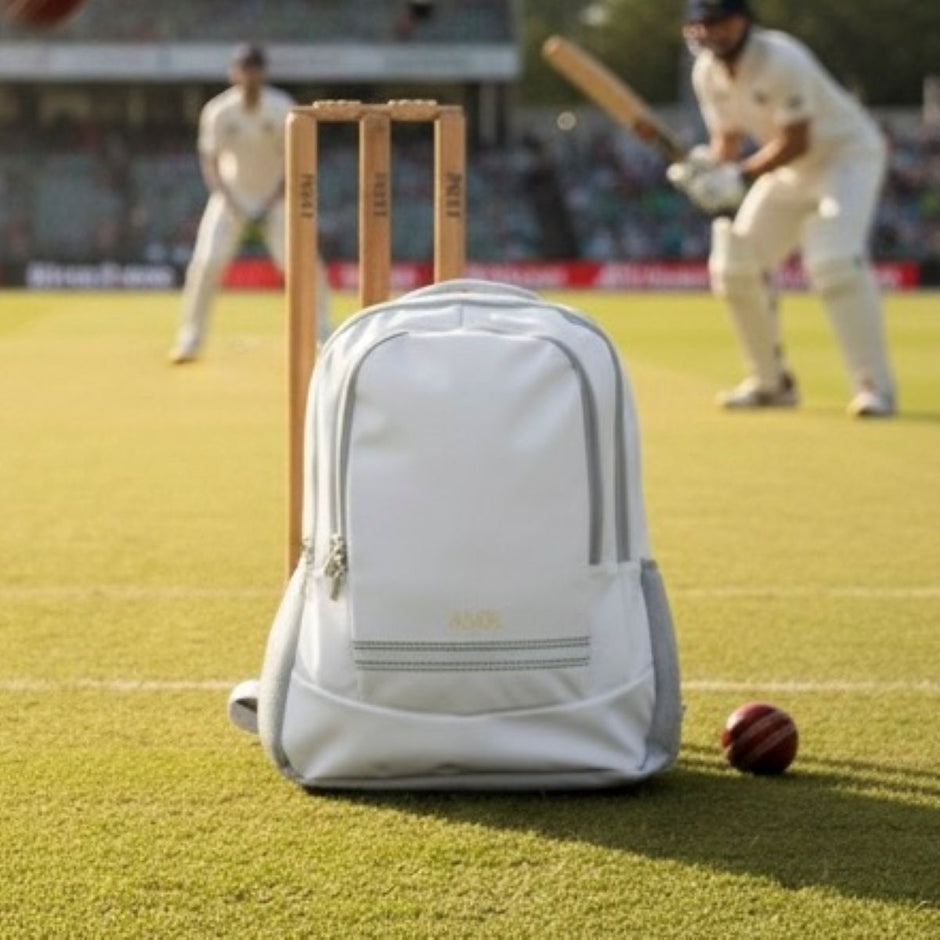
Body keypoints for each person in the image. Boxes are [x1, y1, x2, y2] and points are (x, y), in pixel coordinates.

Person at [668, 0, 896, 417]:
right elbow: (728, 142)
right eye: (699, 25)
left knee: (834, 261)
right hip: (788, 172)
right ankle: (770, 383)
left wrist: (738, 176)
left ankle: (873, 387)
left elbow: (798, 140)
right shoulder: (706, 73)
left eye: (717, 22)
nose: (708, 33)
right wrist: (703, 166)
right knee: (734, 262)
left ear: (742, 21)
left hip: (845, 157)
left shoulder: (781, 57)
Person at [170, 43, 330, 364]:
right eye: (244, 68)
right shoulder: (218, 111)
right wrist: (232, 200)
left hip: (276, 197)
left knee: (305, 265)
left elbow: (296, 158)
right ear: (234, 73)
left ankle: (323, 335)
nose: (250, 75)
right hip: (231, 197)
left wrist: (274, 198)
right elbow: (211, 163)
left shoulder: (282, 106)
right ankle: (190, 337)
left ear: (264, 72)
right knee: (205, 264)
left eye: (255, 68)